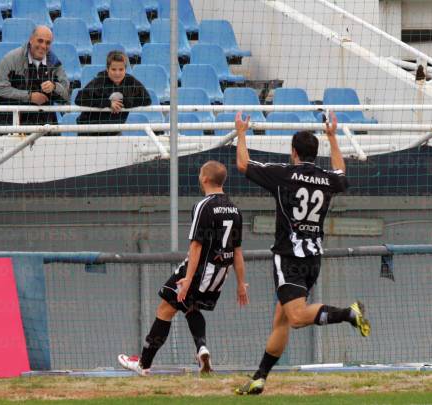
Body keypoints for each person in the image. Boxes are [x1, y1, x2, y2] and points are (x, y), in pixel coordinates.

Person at [233, 111, 371, 395]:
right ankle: (260, 377)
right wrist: (333, 137)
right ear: (315, 153)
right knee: (281, 320)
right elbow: (341, 173)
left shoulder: (283, 175)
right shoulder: (327, 179)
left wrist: (241, 132)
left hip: (289, 257)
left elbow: (243, 164)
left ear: (293, 152)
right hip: (313, 258)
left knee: (295, 318)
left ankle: (348, 313)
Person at [118, 161, 249, 375]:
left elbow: (196, 245)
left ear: (205, 179)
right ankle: (202, 349)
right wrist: (241, 283)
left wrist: (188, 279)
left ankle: (143, 364)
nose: (199, 176)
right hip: (219, 274)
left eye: (200, 173)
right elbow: (237, 250)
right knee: (190, 308)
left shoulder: (203, 206)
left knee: (164, 310)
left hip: (198, 271)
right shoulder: (235, 210)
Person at [0, 26, 69, 128]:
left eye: (47, 43)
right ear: (31, 40)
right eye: (40, 41)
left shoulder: (55, 63)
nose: (43, 46)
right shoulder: (10, 59)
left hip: (44, 127)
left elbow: (66, 95)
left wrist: (54, 87)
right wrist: (29, 97)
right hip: (9, 124)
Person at [74, 50, 151, 136]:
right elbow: (79, 99)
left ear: (125, 69)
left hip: (114, 131)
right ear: (107, 69)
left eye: (121, 69)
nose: (117, 73)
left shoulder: (130, 82)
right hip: (89, 130)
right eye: (113, 69)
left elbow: (147, 100)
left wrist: (125, 102)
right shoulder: (99, 81)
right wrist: (108, 103)